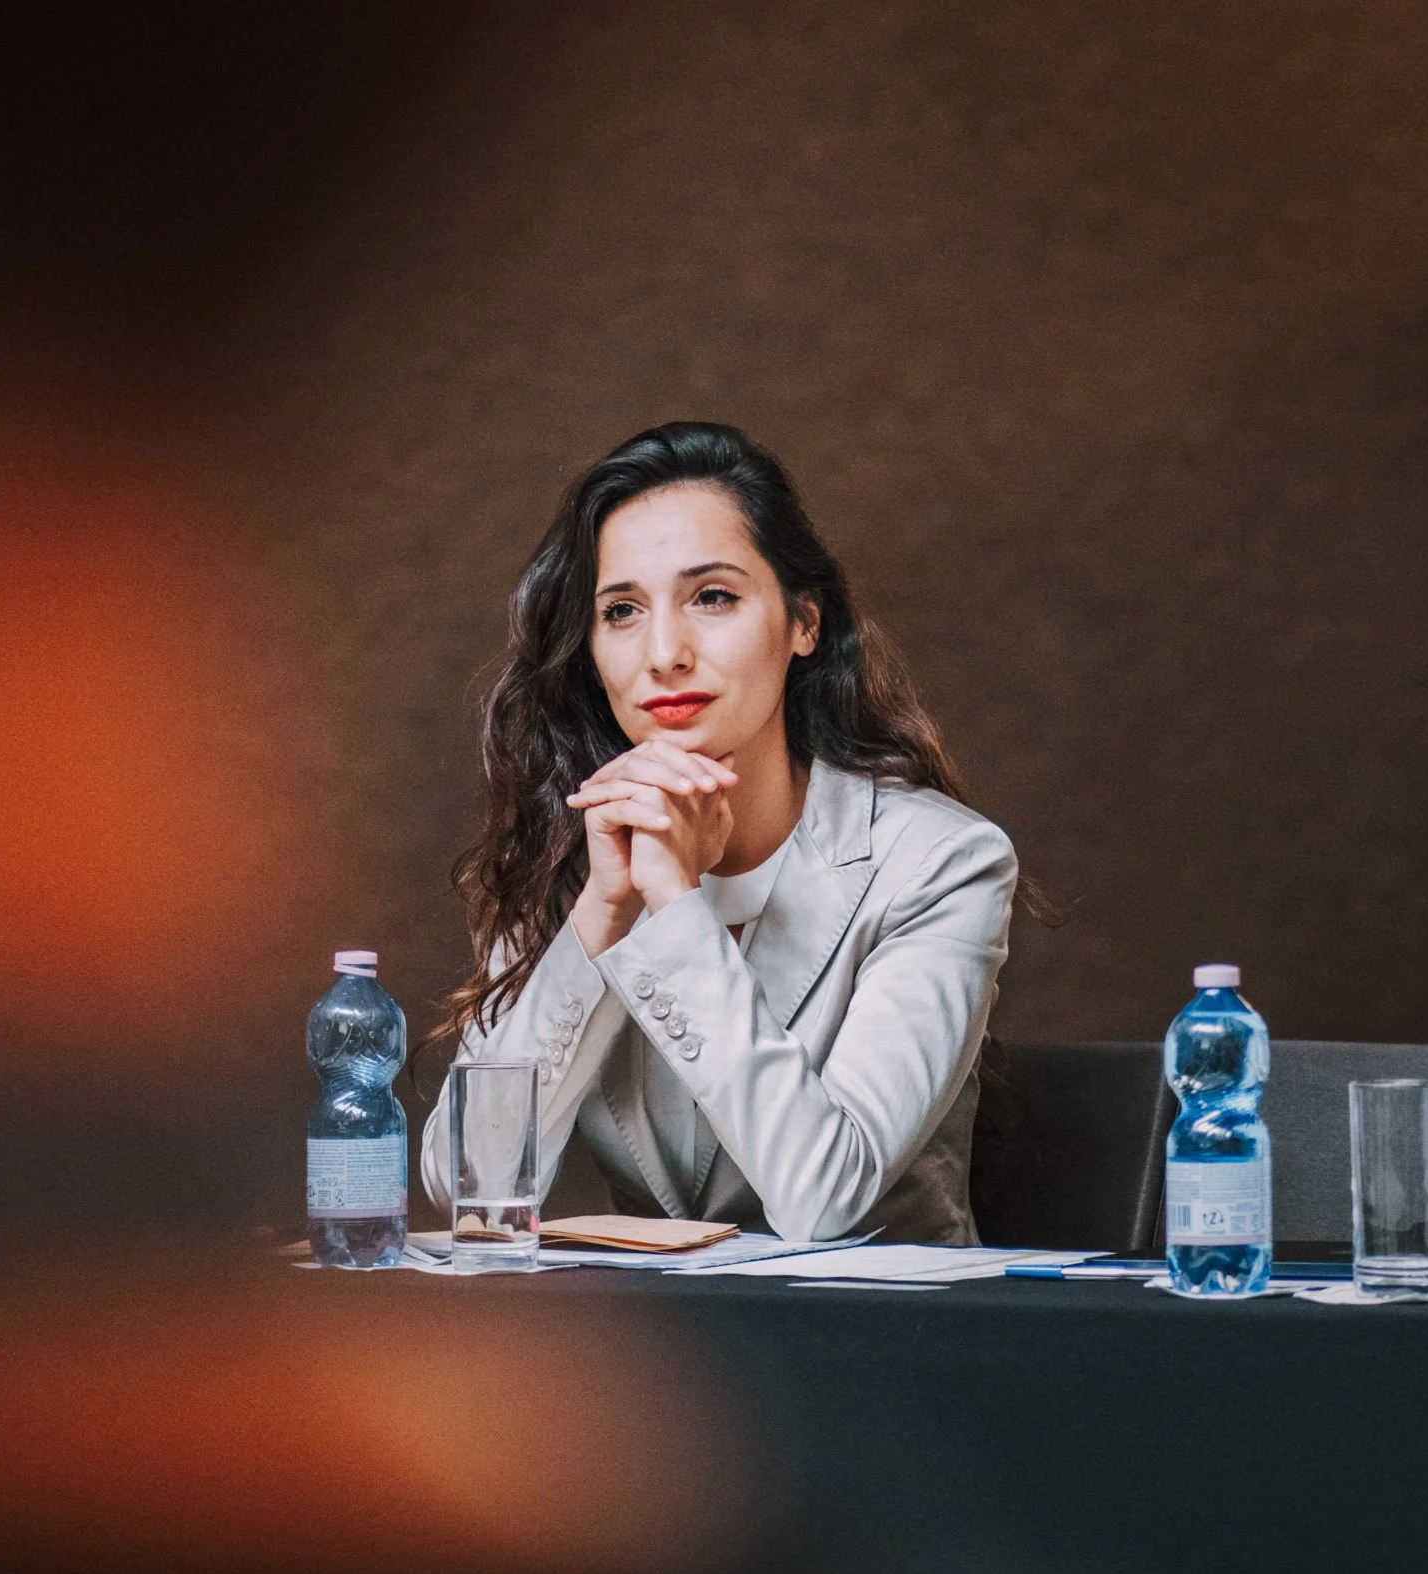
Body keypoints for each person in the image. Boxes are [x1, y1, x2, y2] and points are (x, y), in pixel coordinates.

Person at [421, 422, 1016, 1243]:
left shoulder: (939, 862)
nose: (665, 653)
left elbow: (824, 1198)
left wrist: (674, 901)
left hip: (877, 1320)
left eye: (712, 597)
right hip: (660, 1327)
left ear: (804, 623)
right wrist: (605, 911)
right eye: (621, 611)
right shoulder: (569, 859)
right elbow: (469, 1184)